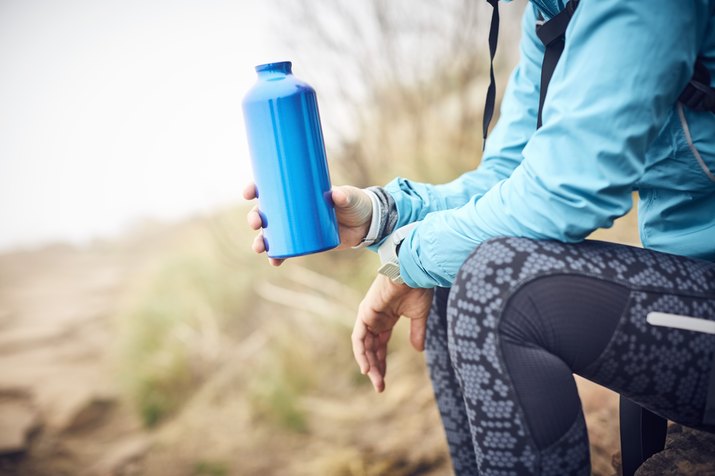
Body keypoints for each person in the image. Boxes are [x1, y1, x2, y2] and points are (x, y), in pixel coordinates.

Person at [245, 0, 715, 474]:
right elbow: (507, 174)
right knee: (457, 274)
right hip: (694, 277)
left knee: (493, 282)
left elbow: (568, 192)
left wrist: (405, 262)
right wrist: (378, 216)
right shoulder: (551, 14)